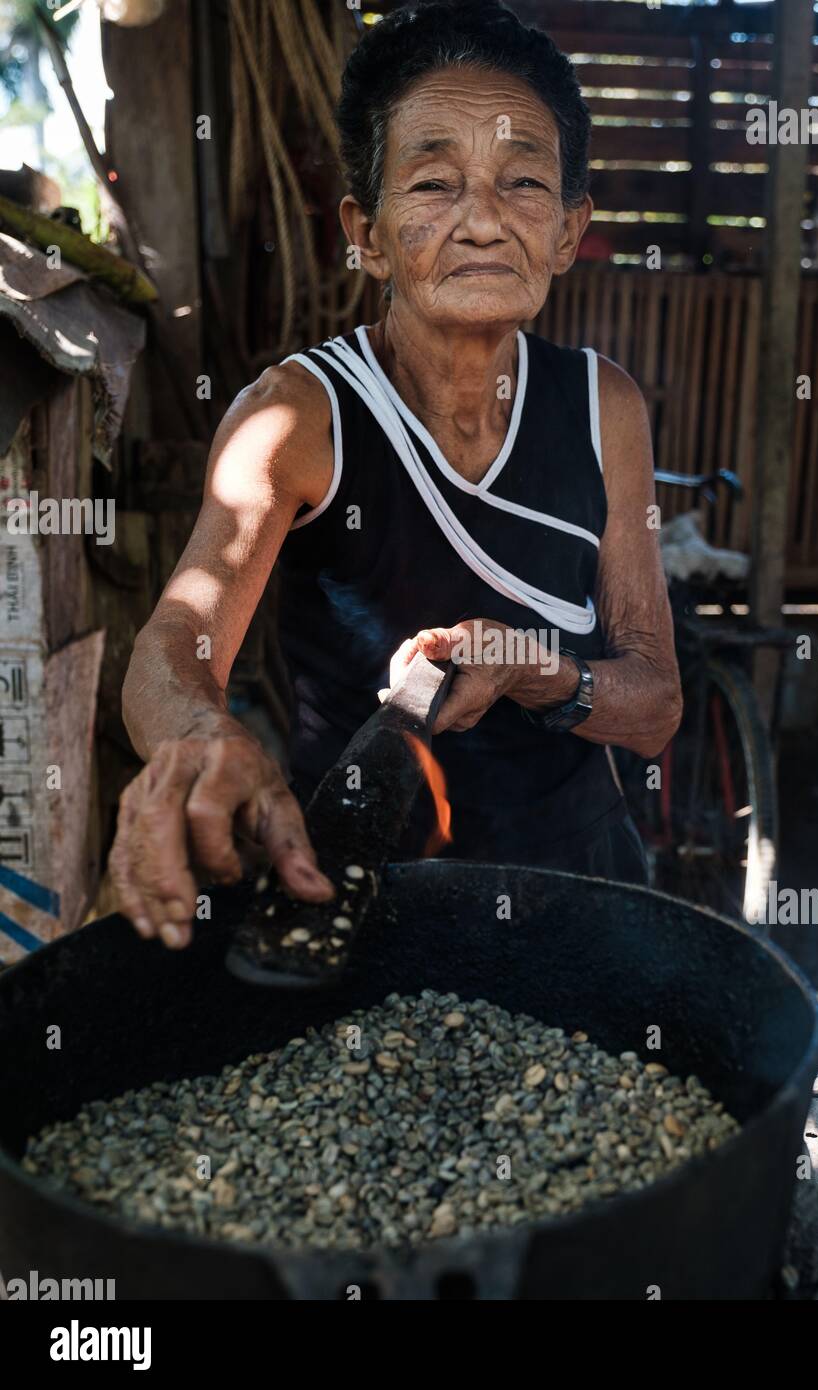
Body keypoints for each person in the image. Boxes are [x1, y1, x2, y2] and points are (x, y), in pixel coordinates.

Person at [110, 0, 681, 949]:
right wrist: (200, 737)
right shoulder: (297, 417)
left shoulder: (602, 408)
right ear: (367, 233)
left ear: (570, 229)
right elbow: (172, 649)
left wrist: (531, 668)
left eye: (525, 182)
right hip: (358, 887)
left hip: (579, 883)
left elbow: (655, 708)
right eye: (433, 184)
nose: (485, 221)